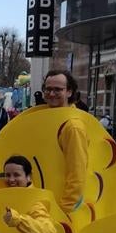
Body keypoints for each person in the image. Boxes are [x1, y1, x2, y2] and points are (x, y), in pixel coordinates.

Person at [41, 69, 88, 215]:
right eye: (48, 89)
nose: (51, 94)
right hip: (46, 201)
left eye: (57, 89)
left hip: (61, 207)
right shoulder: (48, 118)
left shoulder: (72, 126)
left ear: (69, 92)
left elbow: (77, 173)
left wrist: (65, 210)